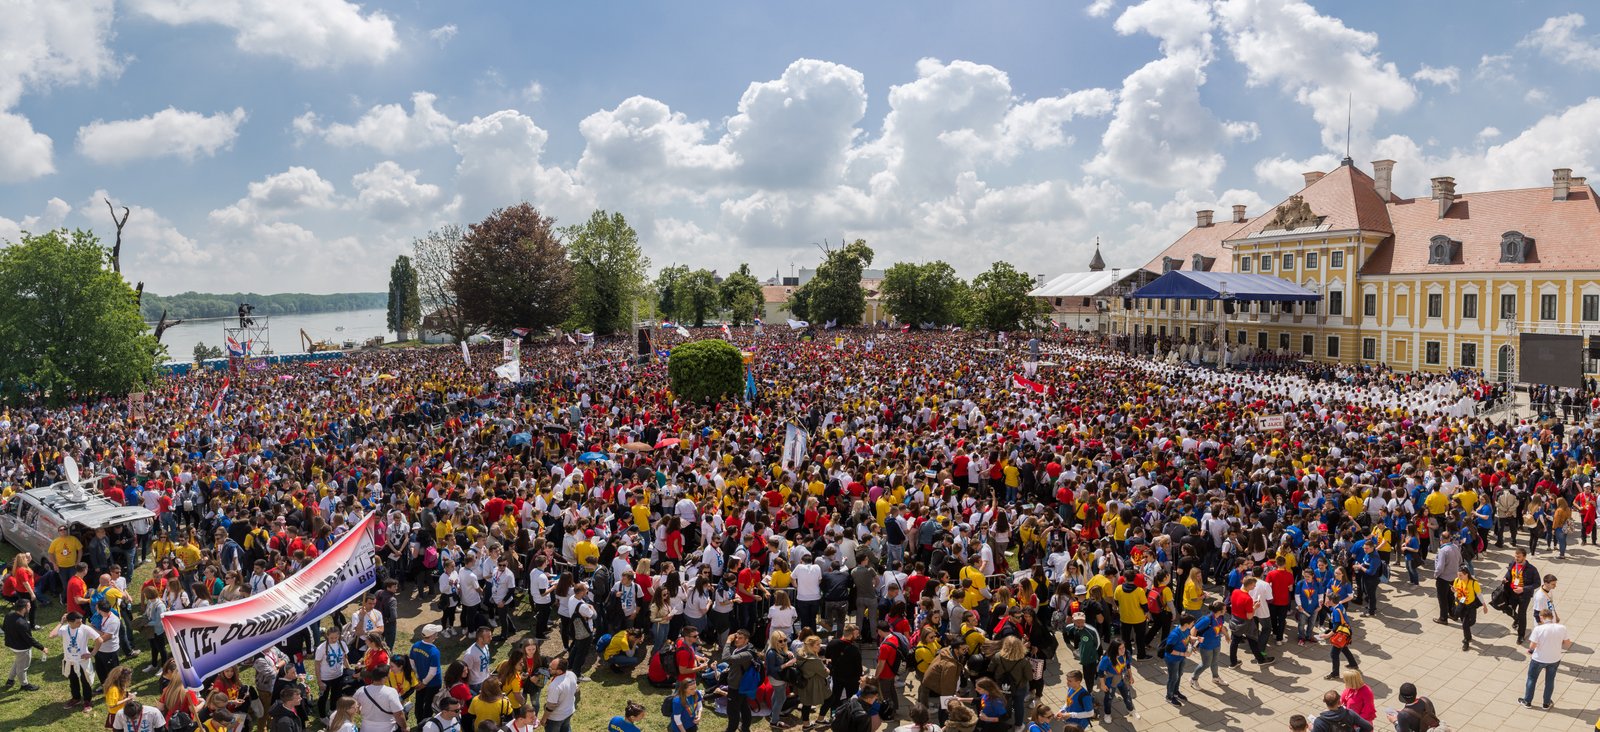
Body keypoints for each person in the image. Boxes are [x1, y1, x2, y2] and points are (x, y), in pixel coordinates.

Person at [1519, 609, 1573, 709]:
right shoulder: (1562, 628)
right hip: (1554, 659)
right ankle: (1546, 703)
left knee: (1532, 679)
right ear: (1552, 617)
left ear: (1541, 617)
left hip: (1538, 659)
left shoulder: (1538, 629)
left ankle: (1527, 701)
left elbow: (1532, 645)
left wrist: (1531, 649)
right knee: (1550, 681)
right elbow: (1568, 644)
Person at [54, 610, 97, 709]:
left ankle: (87, 701)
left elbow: (99, 640)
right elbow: (52, 635)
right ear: (70, 622)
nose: (81, 623)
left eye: (81, 621)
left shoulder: (85, 628)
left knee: (85, 681)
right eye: (78, 622)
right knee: (73, 680)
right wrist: (61, 622)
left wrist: (92, 653)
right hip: (70, 661)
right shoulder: (64, 629)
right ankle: (76, 698)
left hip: (82, 661)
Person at [2, 597, 45, 691]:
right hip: (22, 648)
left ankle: (10, 680)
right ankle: (24, 685)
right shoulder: (22, 623)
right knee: (23, 668)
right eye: (29, 607)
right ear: (23, 609)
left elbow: (4, 628)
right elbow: (29, 639)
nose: (30, 608)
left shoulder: (9, 615)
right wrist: (42, 648)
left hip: (11, 644)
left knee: (18, 661)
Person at [1502, 548, 1542, 645]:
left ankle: (1521, 635)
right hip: (1512, 593)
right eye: (1515, 556)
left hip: (1524, 595)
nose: (1516, 558)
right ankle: (1517, 620)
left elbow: (1537, 583)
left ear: (1524, 557)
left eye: (1518, 557)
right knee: (1507, 609)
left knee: (1522, 614)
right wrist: (1505, 578)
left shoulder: (1532, 569)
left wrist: (1523, 589)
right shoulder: (1513, 564)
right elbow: (1508, 574)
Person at [722, 629, 758, 732]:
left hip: (736, 686)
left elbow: (726, 658)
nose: (736, 640)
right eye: (736, 637)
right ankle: (745, 728)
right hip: (741, 684)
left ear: (747, 640)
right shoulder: (742, 648)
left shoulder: (746, 653)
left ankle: (731, 729)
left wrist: (728, 641)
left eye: (740, 638)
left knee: (732, 711)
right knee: (743, 706)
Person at [1096, 639, 1137, 724]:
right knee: (1109, 698)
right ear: (1114, 649)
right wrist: (1103, 684)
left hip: (1122, 678)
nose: (1123, 650)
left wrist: (1131, 676)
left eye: (1123, 647)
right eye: (1120, 648)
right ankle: (1107, 714)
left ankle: (1131, 710)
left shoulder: (1127, 653)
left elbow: (1128, 665)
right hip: (1111, 680)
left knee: (1127, 695)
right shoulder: (1107, 659)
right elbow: (1100, 672)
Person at [411, 624, 445, 723]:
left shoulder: (415, 645)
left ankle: (419, 721)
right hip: (433, 683)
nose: (437, 634)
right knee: (429, 705)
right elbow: (433, 671)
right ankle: (426, 724)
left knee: (419, 702)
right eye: (436, 633)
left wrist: (418, 679)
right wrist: (425, 683)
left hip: (420, 680)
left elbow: (412, 663)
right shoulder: (434, 651)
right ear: (432, 636)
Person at [1321, 594, 1357, 680]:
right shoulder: (1339, 606)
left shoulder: (1336, 611)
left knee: (1334, 654)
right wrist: (1323, 606)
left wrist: (1327, 635)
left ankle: (1335, 673)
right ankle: (1353, 664)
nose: (1327, 600)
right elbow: (1330, 611)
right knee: (1344, 648)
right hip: (1345, 632)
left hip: (1341, 633)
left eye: (1328, 600)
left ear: (1332, 601)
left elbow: (1336, 626)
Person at [1163, 613, 1195, 707]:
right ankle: (1169, 696)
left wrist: (1196, 638)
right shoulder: (1174, 634)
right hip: (1173, 659)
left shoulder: (1186, 630)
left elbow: (1187, 638)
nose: (1193, 624)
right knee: (1173, 678)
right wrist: (1184, 654)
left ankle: (1175, 692)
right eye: (1192, 623)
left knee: (1179, 675)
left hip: (1181, 658)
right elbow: (1168, 650)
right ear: (1186, 624)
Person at [539, 657, 577, 732]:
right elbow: (576, 688)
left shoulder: (555, 686)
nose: (549, 669)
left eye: (551, 668)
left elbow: (551, 706)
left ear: (559, 671)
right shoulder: (572, 674)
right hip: (569, 711)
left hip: (556, 718)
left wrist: (544, 719)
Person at [1431, 529, 1461, 626]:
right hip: (1454, 577)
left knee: (1442, 598)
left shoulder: (1442, 550)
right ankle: (1453, 614)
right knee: (1451, 596)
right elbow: (1460, 560)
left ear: (1442, 539)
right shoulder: (1456, 547)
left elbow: (1440, 567)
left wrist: (1435, 575)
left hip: (1443, 578)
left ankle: (1443, 618)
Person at [1452, 567, 1483, 651]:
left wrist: (1484, 605)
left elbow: (1479, 594)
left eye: (1461, 575)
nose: (1459, 577)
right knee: (1465, 624)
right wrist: (1453, 590)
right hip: (1461, 604)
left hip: (1471, 605)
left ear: (1466, 575)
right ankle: (1466, 640)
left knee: (1472, 621)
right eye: (1458, 575)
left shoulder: (1474, 583)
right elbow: (1455, 590)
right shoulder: (1457, 580)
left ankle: (1467, 633)